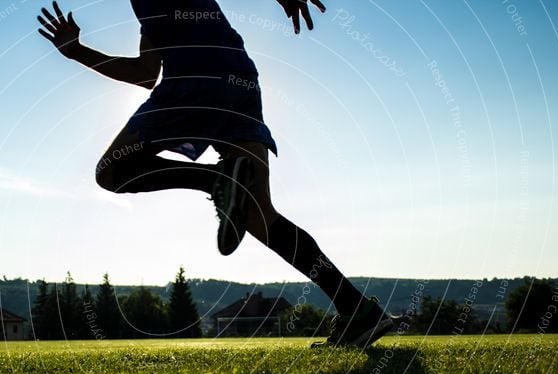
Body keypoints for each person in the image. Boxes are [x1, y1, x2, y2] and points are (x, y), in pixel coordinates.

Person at [37, 0, 396, 347]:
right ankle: (355, 307)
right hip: (239, 81)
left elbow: (147, 77)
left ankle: (214, 179)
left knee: (111, 171)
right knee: (260, 217)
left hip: (195, 82)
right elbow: (145, 73)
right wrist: (77, 51)